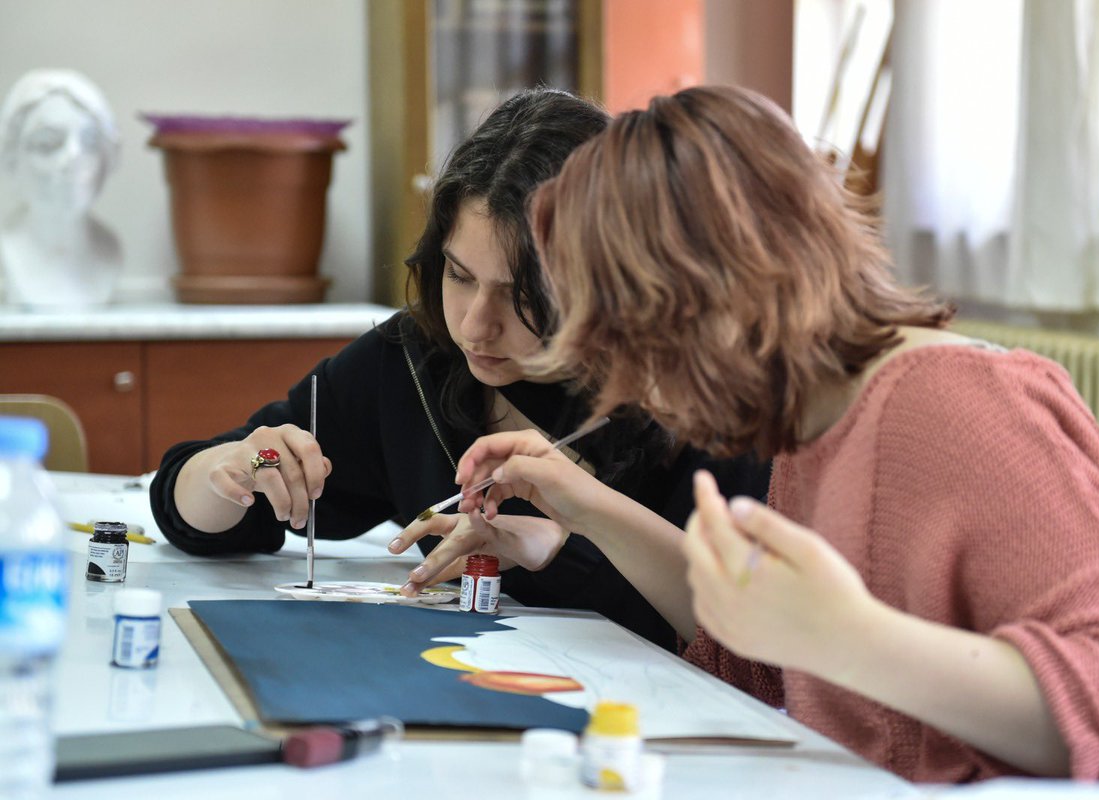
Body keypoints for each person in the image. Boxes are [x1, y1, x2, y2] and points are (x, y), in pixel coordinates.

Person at [449, 85, 1099, 782]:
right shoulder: (815, 424)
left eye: (626, 344)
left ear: (711, 299)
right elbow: (766, 666)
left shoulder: (960, 408)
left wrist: (851, 635)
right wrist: (585, 511)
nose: (623, 385)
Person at [148, 87, 770, 652]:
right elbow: (199, 514)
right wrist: (227, 472)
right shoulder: (415, 360)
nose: (475, 325)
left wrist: (567, 545)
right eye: (459, 275)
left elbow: (748, 645)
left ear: (609, 281)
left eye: (525, 295)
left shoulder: (701, 399)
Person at [0, 69, 122, 308]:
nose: (73, 157)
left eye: (89, 142)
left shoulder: (110, 251)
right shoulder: (8, 250)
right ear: (11, 160)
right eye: (47, 144)